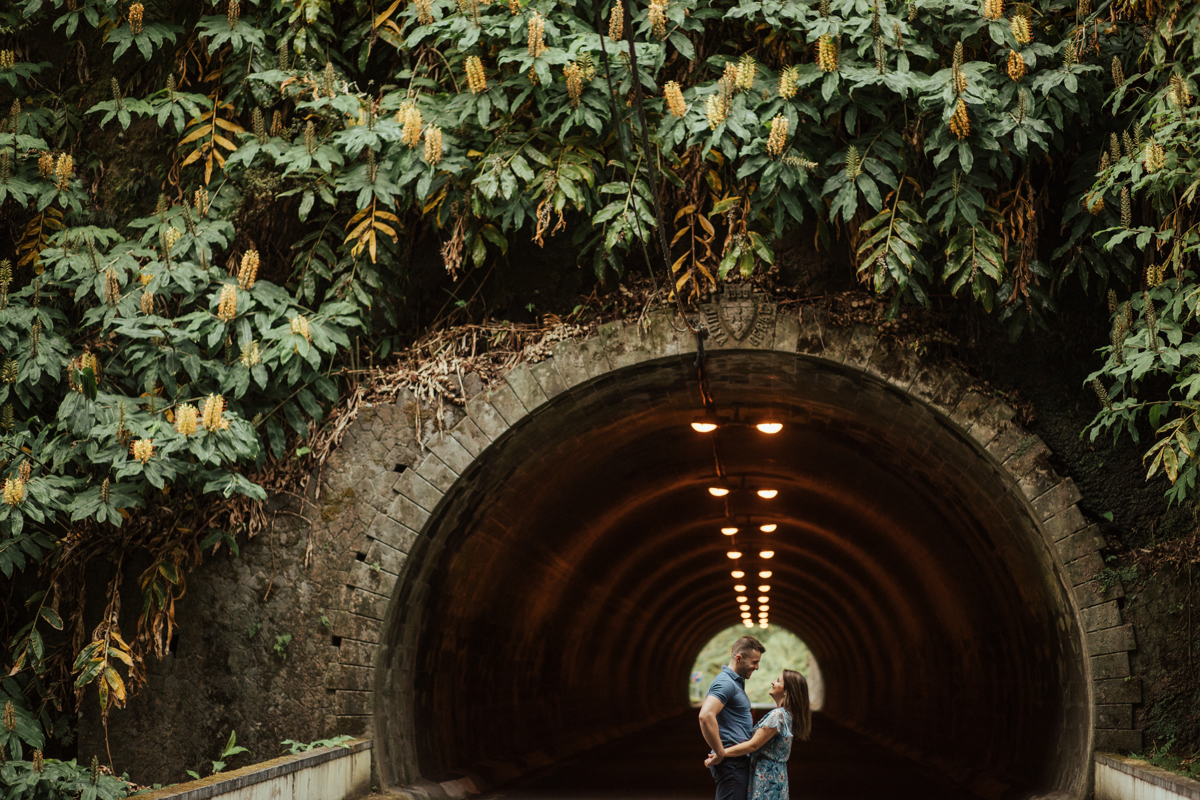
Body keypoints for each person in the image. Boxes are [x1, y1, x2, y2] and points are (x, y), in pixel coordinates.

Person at [704, 669, 812, 800]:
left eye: (778, 681)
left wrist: (721, 753)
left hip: (766, 777)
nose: (773, 682)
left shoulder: (778, 715)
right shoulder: (787, 715)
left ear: (787, 690)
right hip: (777, 775)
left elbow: (752, 746)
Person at [698, 635, 764, 800]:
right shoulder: (726, 683)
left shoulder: (734, 683)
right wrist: (720, 752)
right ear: (739, 658)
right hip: (731, 764)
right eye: (754, 662)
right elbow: (706, 715)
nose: (757, 667)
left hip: (736, 762)